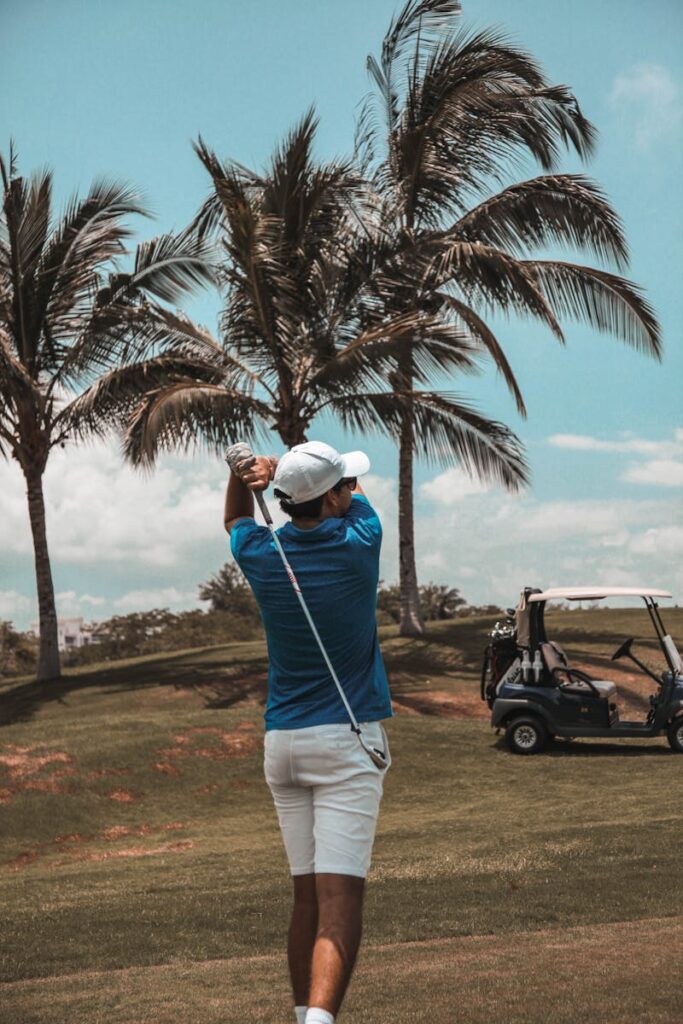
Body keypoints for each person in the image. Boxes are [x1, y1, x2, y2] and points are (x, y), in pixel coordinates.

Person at [224, 440, 393, 1024]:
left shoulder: (261, 553)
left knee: (305, 896)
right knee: (338, 900)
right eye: (342, 484)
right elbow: (355, 497)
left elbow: (235, 519)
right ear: (332, 498)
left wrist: (244, 474)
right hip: (343, 743)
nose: (350, 488)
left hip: (284, 746)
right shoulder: (360, 541)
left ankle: (304, 1016)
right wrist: (285, 472)